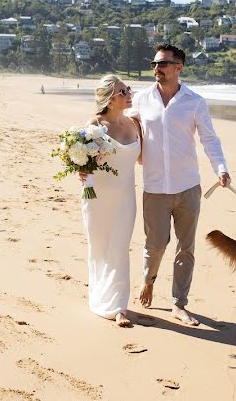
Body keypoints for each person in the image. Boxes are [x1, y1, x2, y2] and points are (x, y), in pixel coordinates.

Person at [131, 43, 230, 326]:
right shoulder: (141, 99)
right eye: (154, 64)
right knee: (156, 244)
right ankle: (148, 280)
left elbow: (209, 139)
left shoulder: (194, 102)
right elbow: (125, 131)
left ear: (179, 67)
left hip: (188, 186)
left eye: (162, 64)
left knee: (185, 248)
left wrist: (220, 168)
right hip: (154, 186)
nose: (156, 69)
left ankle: (179, 303)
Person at [78, 74, 142, 327]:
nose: (128, 94)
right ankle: (100, 296)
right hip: (97, 197)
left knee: (119, 248)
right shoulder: (95, 124)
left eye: (127, 89)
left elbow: (143, 159)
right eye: (122, 92)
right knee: (100, 248)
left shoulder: (135, 123)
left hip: (126, 197)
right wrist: (80, 170)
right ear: (108, 99)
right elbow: (81, 159)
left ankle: (117, 307)